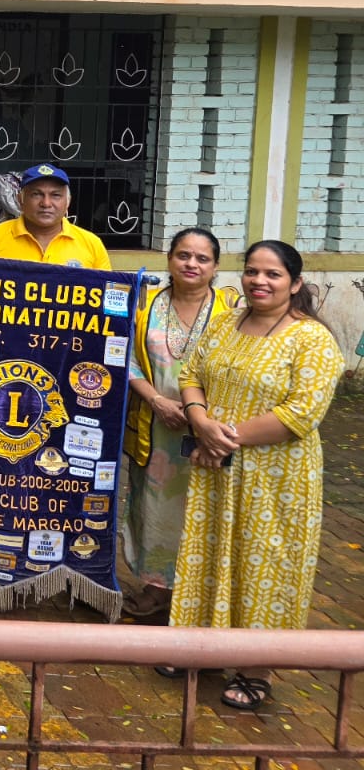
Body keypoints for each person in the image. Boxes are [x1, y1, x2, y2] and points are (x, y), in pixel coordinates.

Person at [169, 240, 344, 711]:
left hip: (276, 478)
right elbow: (191, 372)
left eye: (272, 274)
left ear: (296, 283)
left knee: (264, 563)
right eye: (251, 272)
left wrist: (224, 438)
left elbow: (301, 414)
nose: (259, 282)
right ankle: (203, 650)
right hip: (217, 468)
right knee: (211, 552)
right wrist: (200, 420)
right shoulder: (226, 322)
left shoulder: (313, 339)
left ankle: (256, 669)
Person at [122, 227, 238, 620]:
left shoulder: (233, 309)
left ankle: (197, 595)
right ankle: (155, 589)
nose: (192, 264)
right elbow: (125, 356)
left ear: (216, 267)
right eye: (183, 255)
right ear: (169, 259)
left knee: (203, 510)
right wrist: (155, 400)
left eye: (202, 258)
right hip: (156, 427)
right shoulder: (146, 304)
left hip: (210, 430)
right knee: (153, 507)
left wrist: (197, 414)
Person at [0, 164, 111, 270]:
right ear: (20, 199)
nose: (46, 203)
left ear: (68, 201)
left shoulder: (92, 245)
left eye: (55, 195)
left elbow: (107, 299)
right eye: (36, 194)